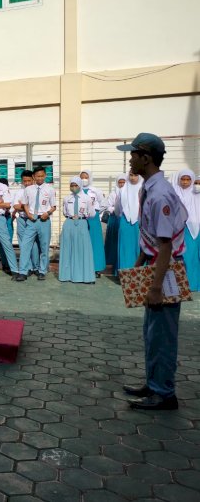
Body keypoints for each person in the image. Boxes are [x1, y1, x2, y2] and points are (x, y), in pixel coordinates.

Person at [117, 133, 187, 410]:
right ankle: (153, 383)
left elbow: (166, 244)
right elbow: (151, 237)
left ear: (146, 158)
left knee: (163, 336)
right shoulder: (150, 188)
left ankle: (165, 393)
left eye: (133, 155)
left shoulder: (160, 194)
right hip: (155, 268)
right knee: (152, 333)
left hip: (166, 273)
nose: (130, 160)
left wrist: (156, 287)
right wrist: (137, 270)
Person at [15, 166, 56, 281]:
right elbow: (25, 204)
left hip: (44, 221)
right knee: (25, 246)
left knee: (44, 247)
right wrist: (28, 214)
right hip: (31, 221)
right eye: (37, 176)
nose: (40, 178)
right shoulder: (28, 189)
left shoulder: (50, 189)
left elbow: (53, 207)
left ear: (45, 176)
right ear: (34, 177)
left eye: (42, 176)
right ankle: (23, 271)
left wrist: (47, 213)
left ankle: (42, 271)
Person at [58, 177, 95, 284]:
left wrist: (83, 216)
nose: (73, 187)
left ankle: (85, 277)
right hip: (69, 223)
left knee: (83, 248)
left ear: (80, 185)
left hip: (82, 223)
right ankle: (66, 275)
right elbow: (64, 212)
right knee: (67, 248)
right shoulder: (67, 198)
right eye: (72, 185)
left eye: (76, 185)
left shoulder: (87, 198)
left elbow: (92, 213)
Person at [172, 169, 200, 291]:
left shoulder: (196, 192)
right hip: (177, 229)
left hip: (192, 228)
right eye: (183, 179)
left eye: (188, 179)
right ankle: (179, 284)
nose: (185, 182)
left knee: (191, 256)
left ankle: (192, 284)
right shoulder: (174, 192)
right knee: (178, 257)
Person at [0, 168, 19, 278]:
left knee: (7, 244)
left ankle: (14, 270)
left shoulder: (3, 187)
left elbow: (7, 205)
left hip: (0, 218)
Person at [115, 172, 143, 276]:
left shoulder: (144, 189)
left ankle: (137, 274)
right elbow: (117, 208)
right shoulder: (122, 190)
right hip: (125, 222)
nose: (133, 177)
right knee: (125, 248)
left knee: (138, 248)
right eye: (131, 175)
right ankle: (124, 274)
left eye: (136, 175)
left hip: (140, 223)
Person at [80, 170, 107, 276]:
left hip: (93, 220)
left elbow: (104, 204)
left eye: (86, 177)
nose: (84, 180)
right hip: (81, 219)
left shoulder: (96, 191)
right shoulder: (77, 190)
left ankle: (96, 268)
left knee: (95, 243)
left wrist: (95, 213)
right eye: (82, 177)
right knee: (82, 243)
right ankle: (82, 267)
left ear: (90, 178)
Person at [105, 174, 127, 273]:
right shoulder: (113, 193)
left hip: (124, 219)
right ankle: (112, 262)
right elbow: (108, 206)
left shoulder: (129, 193)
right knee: (113, 240)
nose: (122, 184)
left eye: (123, 182)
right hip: (114, 219)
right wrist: (114, 210)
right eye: (120, 182)